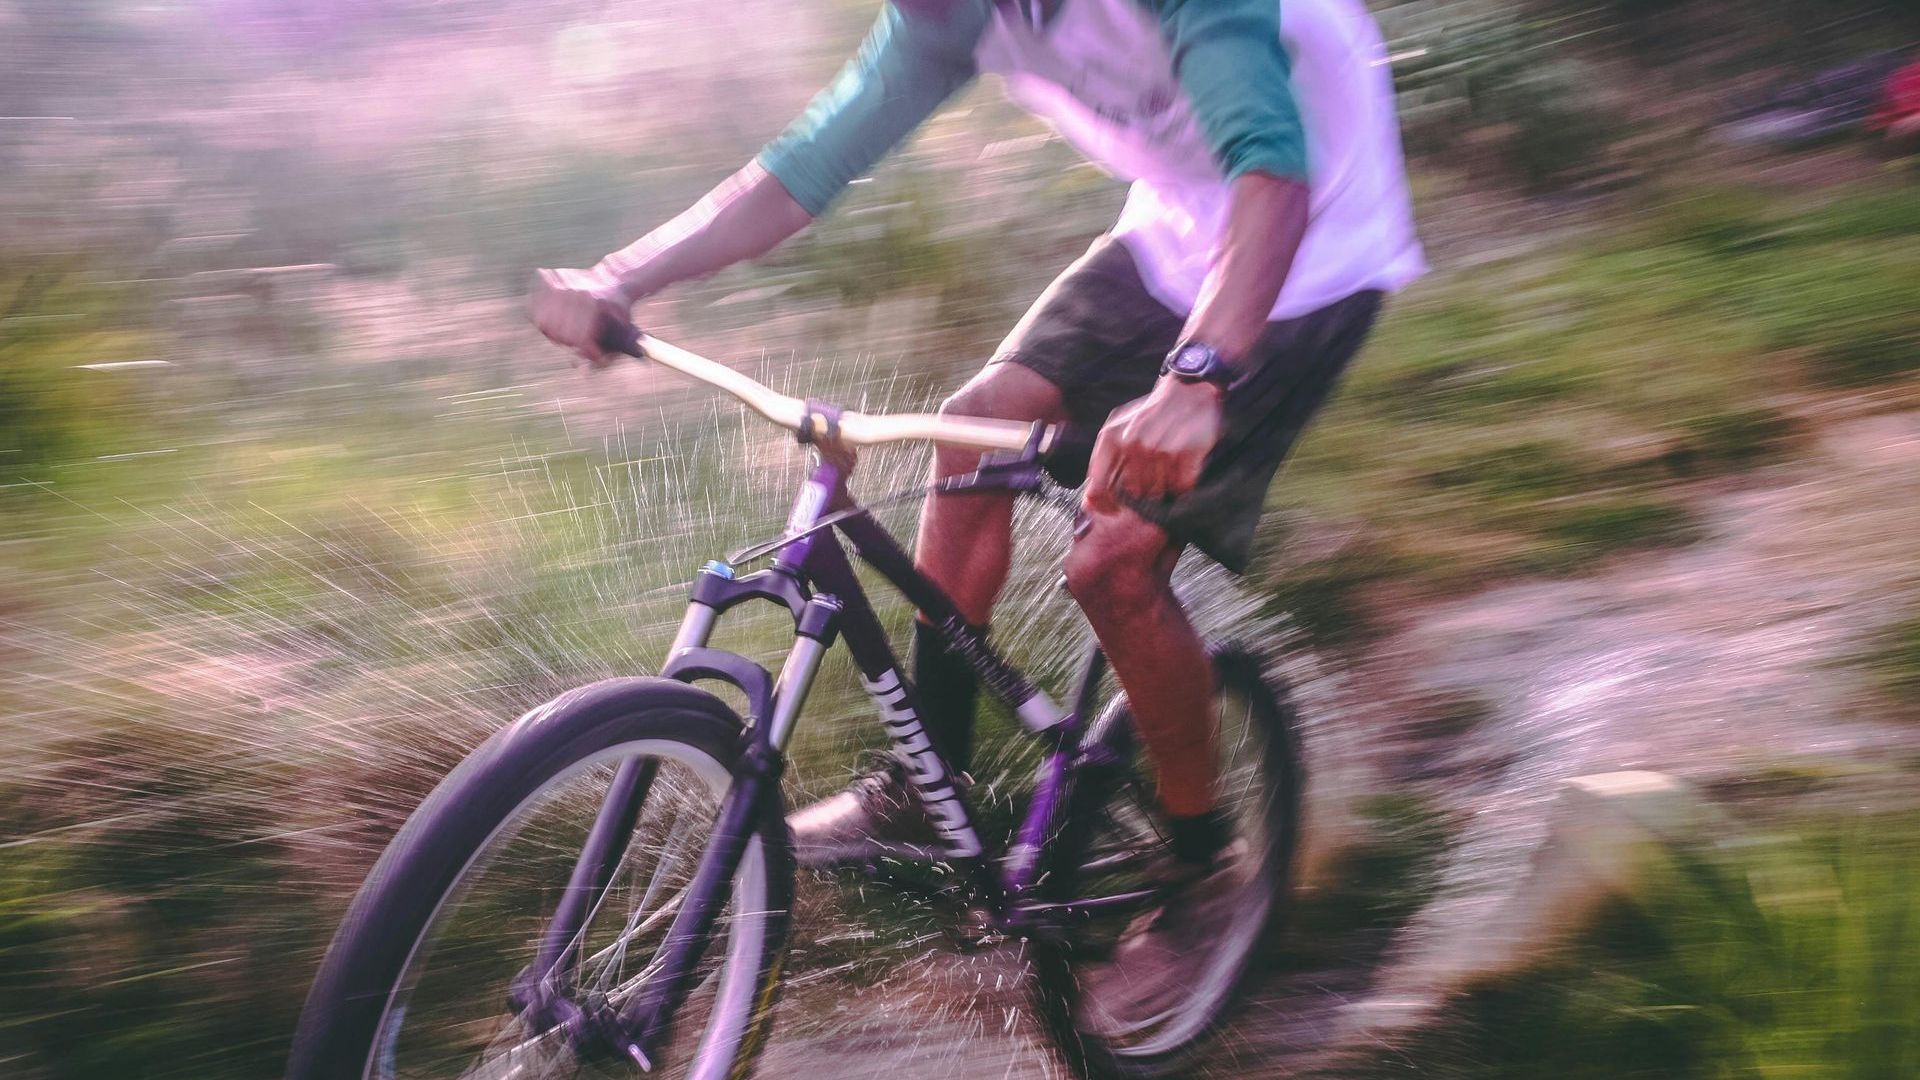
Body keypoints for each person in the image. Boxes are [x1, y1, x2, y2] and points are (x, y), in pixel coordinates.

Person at [532, 0, 1424, 995]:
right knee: (968, 431)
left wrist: (1194, 382)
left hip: (1312, 247)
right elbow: (796, 176)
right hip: (1176, 228)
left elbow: (1270, 173)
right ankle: (928, 782)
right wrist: (621, 280)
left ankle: (1200, 861)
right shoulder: (943, 15)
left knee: (1113, 564)